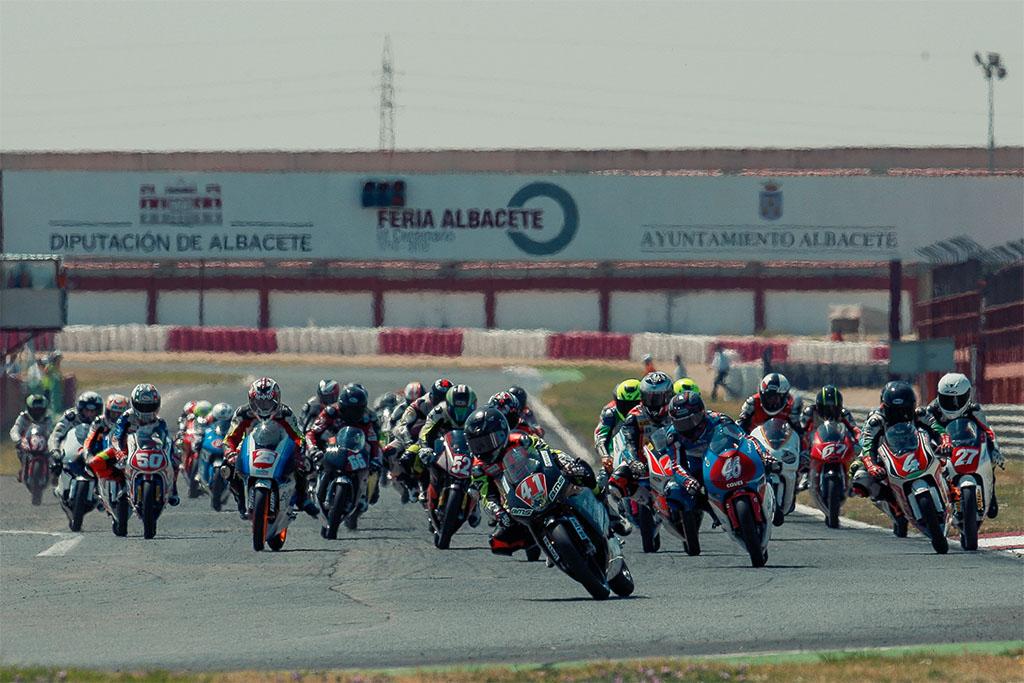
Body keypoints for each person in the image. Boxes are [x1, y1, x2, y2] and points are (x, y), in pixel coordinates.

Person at [464, 408, 596, 556]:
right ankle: (546, 543)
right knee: (498, 543)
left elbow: (547, 452)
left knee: (581, 475)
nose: (483, 449)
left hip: (541, 480)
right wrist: (498, 512)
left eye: (488, 442)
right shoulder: (478, 468)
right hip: (513, 503)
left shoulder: (521, 440)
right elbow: (486, 496)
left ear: (501, 434)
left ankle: (603, 503)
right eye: (477, 445)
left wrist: (565, 464)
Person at [849, 381, 940, 529]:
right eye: (895, 411)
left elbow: (937, 429)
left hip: (918, 449)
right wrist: (871, 466)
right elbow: (867, 446)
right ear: (885, 407)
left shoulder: (920, 414)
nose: (900, 415)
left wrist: (944, 442)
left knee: (949, 458)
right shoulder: (875, 421)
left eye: (905, 410)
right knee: (860, 476)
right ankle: (893, 503)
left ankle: (955, 494)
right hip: (887, 456)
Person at [919, 372, 1005, 518]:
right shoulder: (931, 410)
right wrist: (932, 447)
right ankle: (936, 503)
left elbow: (988, 430)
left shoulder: (974, 409)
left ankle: (991, 493)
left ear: (967, 396)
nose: (953, 404)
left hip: (967, 444)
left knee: (990, 461)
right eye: (947, 399)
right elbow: (923, 433)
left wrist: (995, 450)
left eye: (958, 400)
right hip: (941, 448)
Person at [225, 377, 313, 518]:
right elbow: (230, 437)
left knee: (304, 465)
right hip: (248, 451)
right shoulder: (242, 413)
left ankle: (302, 498)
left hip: (278, 450)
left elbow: (298, 436)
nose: (263, 407)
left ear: (277, 400)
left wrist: (297, 454)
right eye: (259, 402)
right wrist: (230, 452)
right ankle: (241, 499)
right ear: (252, 400)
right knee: (227, 467)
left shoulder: (285, 413)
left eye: (268, 402)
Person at [305, 383, 383, 515]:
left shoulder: (366, 418)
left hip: (355, 447)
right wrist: (313, 449)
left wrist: (375, 459)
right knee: (302, 455)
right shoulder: (331, 412)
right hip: (330, 445)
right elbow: (312, 432)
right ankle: (305, 488)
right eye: (348, 409)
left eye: (356, 410)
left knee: (376, 458)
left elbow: (373, 441)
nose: (351, 414)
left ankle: (366, 491)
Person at [109, 384, 179, 506]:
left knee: (175, 460)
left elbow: (167, 441)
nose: (146, 411)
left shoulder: (160, 422)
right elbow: (116, 436)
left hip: (149, 450)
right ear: (134, 403)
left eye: (150, 406)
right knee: (113, 462)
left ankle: (173, 489)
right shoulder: (126, 417)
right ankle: (122, 487)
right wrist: (119, 452)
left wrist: (170, 454)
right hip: (127, 449)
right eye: (142, 406)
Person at [609, 372, 674, 495]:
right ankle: (641, 501)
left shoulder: (675, 412)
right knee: (616, 481)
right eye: (648, 398)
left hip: (673, 457)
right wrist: (633, 461)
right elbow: (629, 443)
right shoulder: (634, 416)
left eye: (657, 398)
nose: (653, 403)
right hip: (644, 463)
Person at [416, 385, 477, 514]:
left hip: (467, 448)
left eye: (464, 409)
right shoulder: (439, 411)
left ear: (472, 406)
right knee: (422, 460)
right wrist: (425, 447)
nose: (460, 413)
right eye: (457, 408)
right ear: (448, 404)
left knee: (480, 473)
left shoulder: (477, 416)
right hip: (442, 446)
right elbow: (425, 431)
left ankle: (475, 505)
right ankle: (424, 489)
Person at [593, 379, 641, 471]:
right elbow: (600, 436)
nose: (629, 409)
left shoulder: (647, 413)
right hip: (616, 457)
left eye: (634, 404)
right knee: (602, 477)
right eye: (624, 404)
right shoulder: (610, 413)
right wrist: (605, 456)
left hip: (643, 455)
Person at [82, 394, 130, 482]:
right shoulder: (99, 422)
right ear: (107, 412)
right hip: (105, 454)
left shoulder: (132, 423)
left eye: (120, 415)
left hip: (126, 456)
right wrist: (88, 454)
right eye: (113, 413)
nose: (116, 417)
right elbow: (89, 439)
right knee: (86, 461)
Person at [48, 390, 103, 466]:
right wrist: (55, 451)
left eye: (92, 411)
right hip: (69, 456)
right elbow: (56, 434)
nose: (89, 414)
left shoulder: (101, 421)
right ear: (81, 409)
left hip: (92, 456)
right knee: (54, 466)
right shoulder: (71, 417)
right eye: (86, 410)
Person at [738, 373, 803, 435]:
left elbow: (799, 432)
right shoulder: (752, 403)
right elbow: (740, 427)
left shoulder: (791, 406)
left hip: (782, 441)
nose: (772, 400)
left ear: (783, 396)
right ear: (762, 395)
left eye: (775, 397)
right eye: (768, 397)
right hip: (753, 440)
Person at [9, 394, 53, 483]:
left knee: (53, 455)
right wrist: (18, 440)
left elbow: (51, 430)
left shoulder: (47, 419)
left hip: (43, 443)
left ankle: (53, 473)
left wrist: (51, 439)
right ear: (29, 408)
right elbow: (15, 429)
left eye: (40, 410)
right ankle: (23, 468)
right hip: (26, 443)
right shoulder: (23, 417)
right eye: (35, 410)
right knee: (20, 451)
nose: (37, 412)